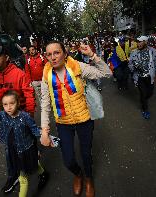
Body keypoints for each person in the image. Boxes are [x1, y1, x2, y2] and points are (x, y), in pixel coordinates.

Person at [40, 41, 112, 197]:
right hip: (63, 123)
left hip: (84, 120)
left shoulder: (78, 66)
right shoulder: (46, 74)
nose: (53, 57)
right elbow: (45, 103)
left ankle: (88, 178)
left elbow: (107, 73)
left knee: (86, 154)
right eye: (49, 54)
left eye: (56, 52)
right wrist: (44, 130)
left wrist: (92, 55)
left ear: (65, 53)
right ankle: (78, 174)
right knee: (68, 160)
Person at [0, 43, 38, 193]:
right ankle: (13, 175)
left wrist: (30, 115)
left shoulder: (18, 73)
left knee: (28, 145)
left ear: (6, 57)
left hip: (21, 118)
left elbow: (29, 94)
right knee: (9, 149)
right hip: (3, 122)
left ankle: (36, 168)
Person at [0, 90, 50, 197]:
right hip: (14, 151)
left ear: (17, 103)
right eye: (5, 104)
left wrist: (44, 133)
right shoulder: (2, 115)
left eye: (11, 103)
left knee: (22, 179)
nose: (8, 107)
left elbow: (35, 131)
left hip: (27, 150)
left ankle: (42, 174)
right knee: (33, 163)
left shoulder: (25, 116)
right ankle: (43, 173)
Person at [128, 36, 156, 119]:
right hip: (139, 77)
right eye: (138, 42)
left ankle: (143, 100)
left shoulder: (153, 51)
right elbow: (130, 66)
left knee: (150, 93)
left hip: (150, 77)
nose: (138, 43)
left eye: (140, 42)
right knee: (143, 94)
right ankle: (145, 109)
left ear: (145, 42)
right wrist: (134, 66)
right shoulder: (134, 52)